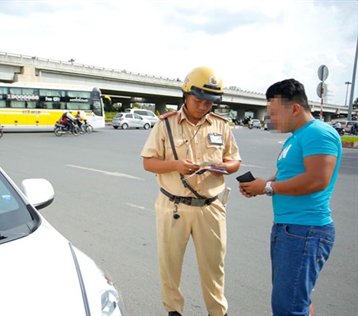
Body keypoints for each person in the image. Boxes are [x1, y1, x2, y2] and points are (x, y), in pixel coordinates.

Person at [140, 66, 241, 316]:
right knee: (170, 265)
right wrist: (175, 165)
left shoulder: (221, 126)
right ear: (185, 94)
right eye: (199, 100)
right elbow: (148, 162)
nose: (204, 107)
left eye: (210, 103)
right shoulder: (165, 125)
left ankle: (217, 312)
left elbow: (235, 161)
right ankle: (174, 311)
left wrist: (223, 168)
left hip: (211, 207)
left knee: (214, 267)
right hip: (173, 206)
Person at [239, 79, 341, 316]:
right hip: (291, 230)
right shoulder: (296, 137)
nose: (271, 120)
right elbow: (286, 175)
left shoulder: (318, 133)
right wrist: (260, 185)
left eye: (274, 113)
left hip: (305, 230)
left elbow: (317, 180)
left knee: (289, 307)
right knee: (296, 300)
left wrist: (268, 187)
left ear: (295, 109)